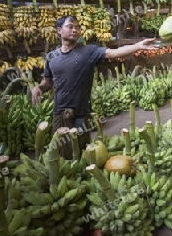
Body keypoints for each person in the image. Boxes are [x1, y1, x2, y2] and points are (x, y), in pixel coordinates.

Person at [31, 15, 157, 159]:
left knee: (82, 152)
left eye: (77, 27)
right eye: (70, 27)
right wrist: (39, 88)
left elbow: (114, 52)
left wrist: (138, 46)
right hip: (59, 113)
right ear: (59, 30)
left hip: (80, 114)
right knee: (62, 153)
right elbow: (48, 81)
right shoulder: (51, 57)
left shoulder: (88, 52)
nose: (75, 30)